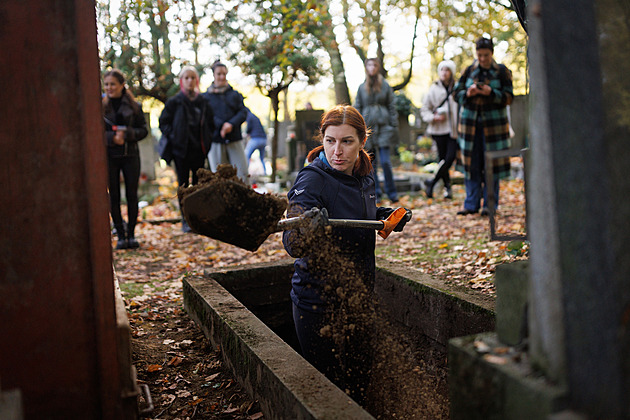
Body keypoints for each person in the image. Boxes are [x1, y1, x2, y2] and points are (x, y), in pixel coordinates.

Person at [282, 105, 411, 404]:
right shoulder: (311, 180)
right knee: (328, 392)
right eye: (330, 140)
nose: (336, 151)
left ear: (362, 141)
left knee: (359, 381)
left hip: (359, 296)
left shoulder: (364, 175)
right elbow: (291, 243)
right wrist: (306, 229)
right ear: (322, 139)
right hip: (318, 305)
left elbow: (358, 212)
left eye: (346, 141)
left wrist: (386, 216)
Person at [454, 37, 513, 216]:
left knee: (491, 165)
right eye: (479, 55)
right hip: (470, 127)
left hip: (494, 128)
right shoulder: (469, 70)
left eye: (485, 55)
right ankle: (471, 204)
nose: (482, 58)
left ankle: (490, 205)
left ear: (492, 53)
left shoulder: (502, 71)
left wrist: (491, 93)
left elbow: (509, 97)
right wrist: (468, 93)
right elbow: (456, 94)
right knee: (471, 166)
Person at [159, 66, 215, 232]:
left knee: (197, 187)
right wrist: (174, 137)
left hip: (199, 150)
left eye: (193, 78)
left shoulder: (203, 102)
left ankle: (196, 219)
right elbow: (163, 122)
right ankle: (185, 219)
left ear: (196, 81)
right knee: (183, 185)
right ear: (182, 81)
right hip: (181, 151)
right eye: (186, 78)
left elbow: (211, 125)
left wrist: (207, 141)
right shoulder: (174, 102)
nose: (190, 81)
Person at [103, 69, 149, 249]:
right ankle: (120, 235)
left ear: (122, 85)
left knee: (131, 195)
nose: (109, 88)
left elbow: (143, 130)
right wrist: (111, 138)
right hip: (110, 157)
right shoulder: (100, 106)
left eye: (113, 84)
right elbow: (95, 131)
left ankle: (131, 234)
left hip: (130, 156)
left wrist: (128, 134)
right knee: (113, 196)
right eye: (106, 84)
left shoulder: (134, 106)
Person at [354, 58, 399, 203]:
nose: (372, 67)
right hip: (368, 129)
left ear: (377, 67)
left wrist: (393, 125)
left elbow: (392, 105)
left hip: (384, 127)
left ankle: (392, 193)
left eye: (374, 65)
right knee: (371, 164)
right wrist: (359, 127)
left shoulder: (385, 85)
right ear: (366, 68)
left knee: (386, 162)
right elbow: (358, 107)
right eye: (369, 65)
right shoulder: (362, 87)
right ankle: (375, 193)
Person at [203, 61, 249, 182]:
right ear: (214, 75)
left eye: (224, 74)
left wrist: (231, 124)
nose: (222, 77)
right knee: (218, 177)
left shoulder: (235, 95)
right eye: (219, 74)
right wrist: (222, 126)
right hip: (215, 140)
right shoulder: (206, 97)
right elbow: (207, 116)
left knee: (242, 174)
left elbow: (243, 112)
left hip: (235, 139)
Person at [420, 59, 459, 199]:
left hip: (454, 129)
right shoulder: (433, 89)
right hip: (438, 130)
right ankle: (448, 189)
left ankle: (431, 182)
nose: (444, 72)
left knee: (449, 159)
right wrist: (433, 118)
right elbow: (424, 109)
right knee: (443, 159)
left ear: (452, 72)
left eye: (447, 70)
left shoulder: (457, 87)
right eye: (442, 70)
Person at [243, 108, 267, 175]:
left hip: (255, 139)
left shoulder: (249, 116)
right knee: (262, 158)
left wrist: (247, 133)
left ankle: (245, 172)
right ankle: (264, 173)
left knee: (246, 155)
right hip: (263, 139)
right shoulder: (255, 116)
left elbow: (248, 128)